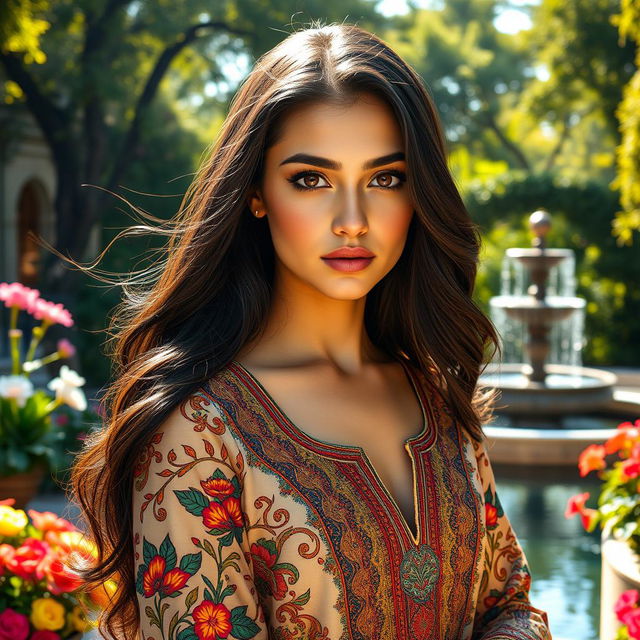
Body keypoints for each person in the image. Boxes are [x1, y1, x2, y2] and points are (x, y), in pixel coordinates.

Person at [68, 21, 552, 640]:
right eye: (311, 180)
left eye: (386, 178)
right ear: (257, 193)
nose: (352, 221)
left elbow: (508, 602)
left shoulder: (435, 392)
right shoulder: (195, 436)